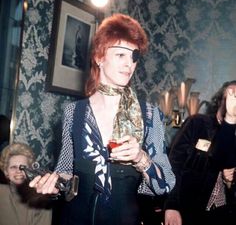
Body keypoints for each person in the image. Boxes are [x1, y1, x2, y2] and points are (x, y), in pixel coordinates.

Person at [29, 13, 175, 225]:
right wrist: (53, 184)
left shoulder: (150, 115)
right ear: (99, 57)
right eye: (120, 55)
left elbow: (165, 184)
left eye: (133, 56)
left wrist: (140, 158)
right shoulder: (74, 112)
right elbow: (66, 173)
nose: (129, 65)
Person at [164, 80, 236, 225]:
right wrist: (171, 205)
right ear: (221, 99)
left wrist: (230, 181)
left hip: (223, 213)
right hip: (189, 210)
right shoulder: (197, 123)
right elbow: (173, 165)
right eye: (231, 94)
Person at [0, 143, 52, 225]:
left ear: (30, 171)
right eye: (13, 167)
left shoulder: (41, 198)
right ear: (6, 171)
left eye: (23, 167)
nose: (19, 171)